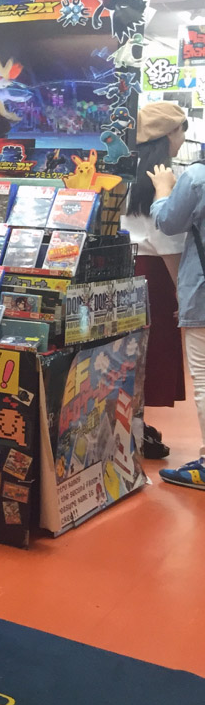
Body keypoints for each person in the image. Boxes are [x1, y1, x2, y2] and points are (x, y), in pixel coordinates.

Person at [122, 101, 189, 459]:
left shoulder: (124, 173)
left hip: (124, 271)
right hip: (156, 276)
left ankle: (130, 426)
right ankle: (135, 428)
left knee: (126, 354)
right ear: (168, 135)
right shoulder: (165, 179)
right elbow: (169, 242)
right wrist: (184, 291)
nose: (183, 138)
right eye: (181, 130)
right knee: (151, 354)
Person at [147, 121, 205, 490]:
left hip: (202, 293)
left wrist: (163, 191)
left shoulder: (197, 177)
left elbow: (167, 223)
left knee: (204, 377)